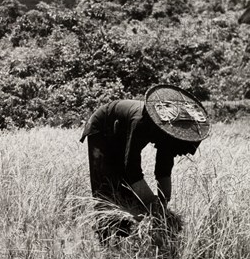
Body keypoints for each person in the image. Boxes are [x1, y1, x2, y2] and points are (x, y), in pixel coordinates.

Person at [80, 85, 210, 241]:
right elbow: (131, 168)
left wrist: (163, 206)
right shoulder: (140, 122)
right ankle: (106, 239)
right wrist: (152, 205)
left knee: (127, 192)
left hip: (120, 135)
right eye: (185, 147)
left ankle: (124, 236)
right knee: (107, 187)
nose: (187, 153)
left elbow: (163, 170)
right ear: (177, 139)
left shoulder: (167, 137)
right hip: (103, 130)